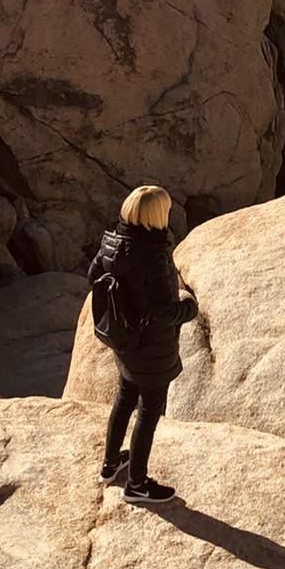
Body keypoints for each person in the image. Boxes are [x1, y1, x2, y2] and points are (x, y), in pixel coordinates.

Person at [88, 184, 198, 506]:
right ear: (156, 216)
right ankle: (136, 484)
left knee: (124, 398)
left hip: (123, 341)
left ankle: (110, 464)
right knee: (148, 413)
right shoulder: (154, 255)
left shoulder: (113, 242)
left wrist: (126, 303)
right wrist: (189, 308)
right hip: (152, 348)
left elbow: (95, 275)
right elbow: (165, 311)